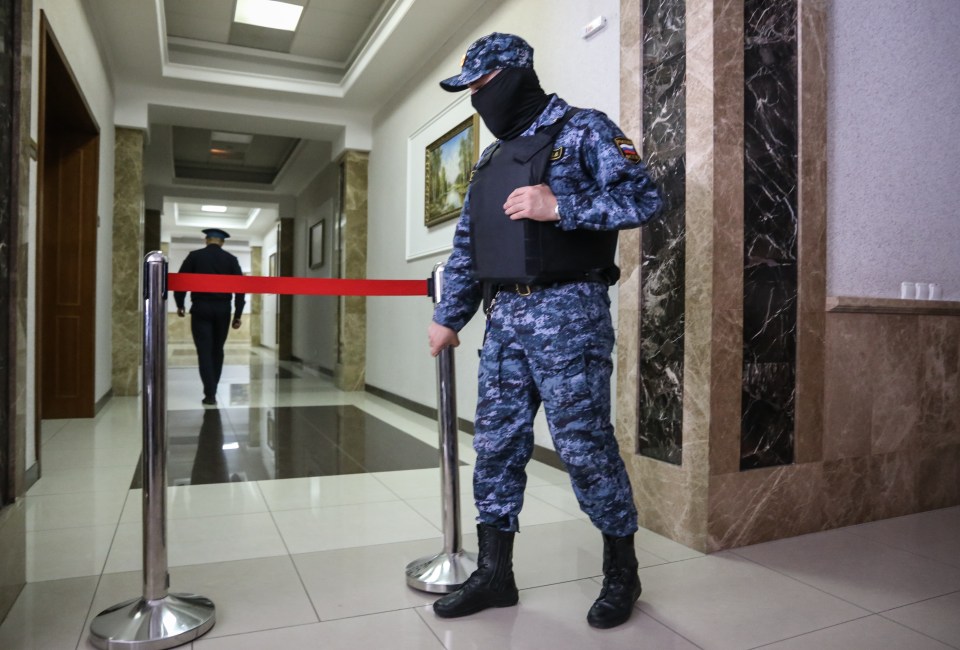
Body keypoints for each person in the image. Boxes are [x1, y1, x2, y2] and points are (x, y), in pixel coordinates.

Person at [427, 33, 662, 629]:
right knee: (497, 448)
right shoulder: (489, 160)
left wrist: (561, 204)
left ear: (513, 74)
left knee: (583, 449)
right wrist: (448, 316)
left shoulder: (586, 129)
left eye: (482, 87)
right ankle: (494, 574)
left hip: (568, 314)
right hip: (504, 319)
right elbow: (467, 247)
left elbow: (645, 197)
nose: (478, 100)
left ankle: (621, 573)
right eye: (471, 92)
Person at [174, 228, 245, 406]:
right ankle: (213, 387)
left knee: (204, 351)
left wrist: (180, 303)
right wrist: (237, 314)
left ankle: (210, 393)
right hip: (223, 309)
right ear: (222, 242)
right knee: (217, 349)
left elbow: (181, 281)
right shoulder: (231, 260)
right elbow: (240, 289)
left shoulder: (194, 256)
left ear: (206, 240)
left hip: (201, 308)